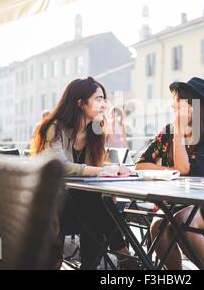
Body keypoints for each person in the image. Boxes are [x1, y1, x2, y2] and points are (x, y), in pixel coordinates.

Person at [32, 77, 135, 269]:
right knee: (95, 204)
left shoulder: (93, 133)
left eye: (104, 99)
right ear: (80, 103)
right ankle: (125, 258)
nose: (104, 104)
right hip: (49, 209)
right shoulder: (54, 127)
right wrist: (105, 171)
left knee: (96, 202)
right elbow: (59, 166)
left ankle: (115, 261)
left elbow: (93, 170)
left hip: (79, 208)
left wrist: (111, 172)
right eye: (98, 99)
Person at [136, 77, 204, 270]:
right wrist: (171, 171)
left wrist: (178, 133)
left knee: (181, 221)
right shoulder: (167, 132)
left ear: (194, 107)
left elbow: (188, 173)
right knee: (158, 227)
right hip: (172, 202)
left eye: (178, 101)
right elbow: (142, 164)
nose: (172, 105)